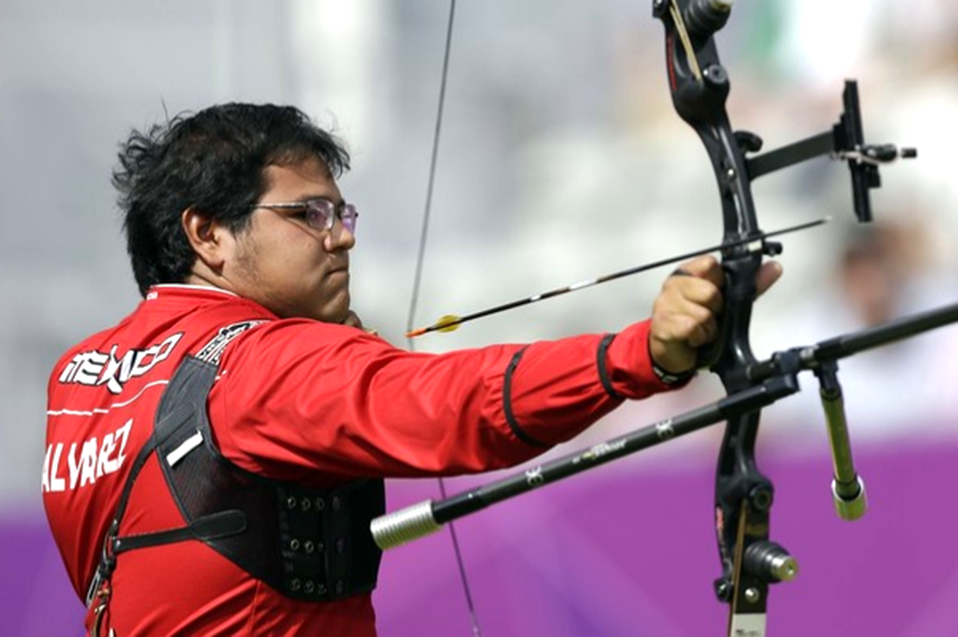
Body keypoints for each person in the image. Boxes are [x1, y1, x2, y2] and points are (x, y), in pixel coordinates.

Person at [42, 103, 781, 636]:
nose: (342, 240)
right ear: (208, 234)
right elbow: (450, 405)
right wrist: (641, 353)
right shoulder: (266, 364)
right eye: (311, 215)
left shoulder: (79, 376)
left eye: (345, 215)